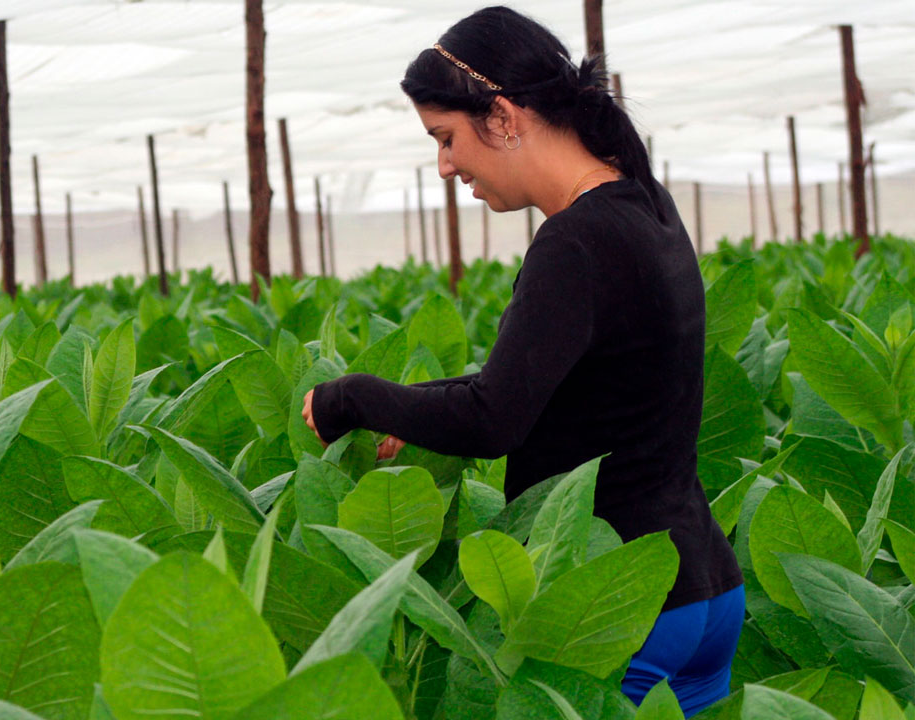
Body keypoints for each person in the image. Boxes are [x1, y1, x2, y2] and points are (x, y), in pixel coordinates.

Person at [301, 6, 743, 717]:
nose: (445, 166)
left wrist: (350, 397)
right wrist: (415, 409)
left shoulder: (573, 242)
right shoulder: (646, 206)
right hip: (703, 592)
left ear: (503, 117)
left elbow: (494, 419)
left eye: (446, 138)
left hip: (612, 606)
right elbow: (554, 384)